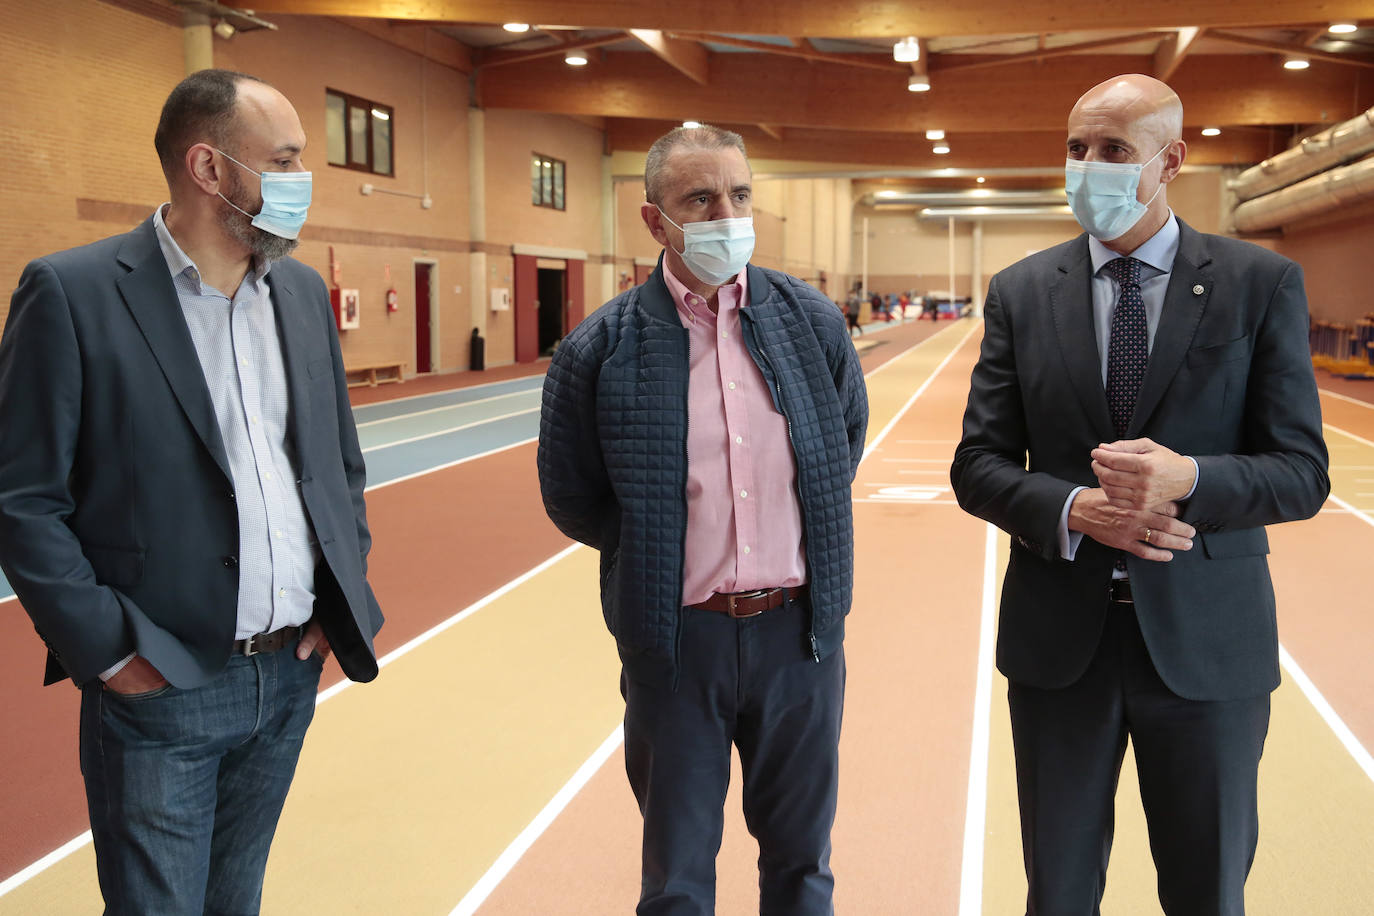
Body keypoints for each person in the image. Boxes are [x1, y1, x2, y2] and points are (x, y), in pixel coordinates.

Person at [0, 69, 385, 914]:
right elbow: (23, 500)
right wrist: (108, 652)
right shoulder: (73, 293)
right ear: (209, 169)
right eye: (283, 161)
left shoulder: (302, 293)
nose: (301, 183)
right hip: (162, 680)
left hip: (287, 674)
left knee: (234, 902)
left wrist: (337, 592)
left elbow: (335, 466)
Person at [950, 73, 1329, 915]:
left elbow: (1303, 472)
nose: (1089, 167)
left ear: (1171, 161)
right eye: (1076, 149)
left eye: (1114, 150)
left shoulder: (1256, 283)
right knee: (1058, 891)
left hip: (1207, 649)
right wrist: (1069, 509)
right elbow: (977, 463)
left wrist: (1191, 478)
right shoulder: (1021, 290)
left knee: (1206, 890)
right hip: (1060, 648)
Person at [537, 124, 867, 915]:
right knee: (677, 877)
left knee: (801, 864)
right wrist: (657, 544)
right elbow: (573, 496)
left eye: (740, 194)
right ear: (656, 220)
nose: (728, 213)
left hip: (799, 640)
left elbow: (840, 449)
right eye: (702, 198)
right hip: (679, 647)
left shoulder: (811, 322)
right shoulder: (600, 351)